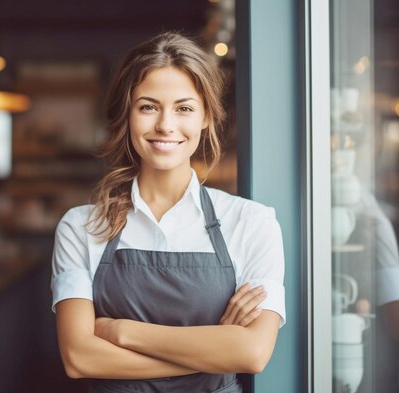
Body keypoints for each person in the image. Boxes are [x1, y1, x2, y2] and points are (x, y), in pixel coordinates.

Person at [50, 32, 285, 393]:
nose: (165, 125)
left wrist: (123, 332)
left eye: (184, 108)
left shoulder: (252, 223)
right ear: (127, 115)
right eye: (148, 106)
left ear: (206, 116)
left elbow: (252, 353)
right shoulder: (81, 226)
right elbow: (80, 358)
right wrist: (214, 349)